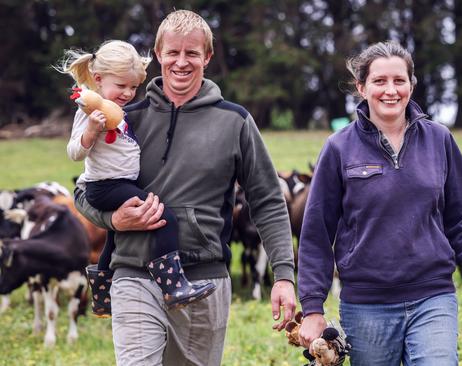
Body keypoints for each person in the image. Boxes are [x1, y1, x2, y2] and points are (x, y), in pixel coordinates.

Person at [73, 10, 296, 365]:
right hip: (133, 272)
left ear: (207, 57)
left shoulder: (234, 121)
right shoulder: (125, 117)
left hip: (203, 281)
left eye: (192, 53)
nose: (181, 62)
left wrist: (283, 274)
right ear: (158, 55)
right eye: (172, 52)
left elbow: (267, 199)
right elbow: (83, 190)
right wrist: (114, 219)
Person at [297, 41, 462, 365]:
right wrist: (312, 307)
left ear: (411, 85)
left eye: (399, 81)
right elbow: (316, 234)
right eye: (379, 81)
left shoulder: (439, 139)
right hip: (366, 305)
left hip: (433, 296)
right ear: (361, 87)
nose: (390, 90)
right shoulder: (338, 148)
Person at [60, 40, 216, 318]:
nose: (128, 94)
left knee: (113, 238)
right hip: (105, 186)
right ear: (98, 79)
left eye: (133, 87)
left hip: (120, 183)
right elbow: (74, 152)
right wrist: (91, 132)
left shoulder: (118, 111)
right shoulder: (88, 112)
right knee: (164, 218)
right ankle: (173, 285)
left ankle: (101, 293)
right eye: (121, 86)